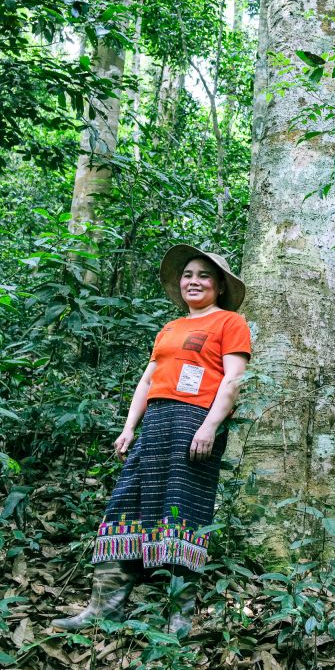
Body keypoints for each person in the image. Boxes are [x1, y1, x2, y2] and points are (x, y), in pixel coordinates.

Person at [53, 245, 251, 635]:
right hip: (155, 423)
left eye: (204, 276)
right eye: (188, 275)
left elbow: (233, 379)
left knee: (182, 513)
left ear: (220, 286)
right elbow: (148, 380)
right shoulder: (170, 328)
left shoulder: (230, 322)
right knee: (124, 506)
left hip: (194, 422)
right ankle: (103, 609)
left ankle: (178, 620)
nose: (194, 281)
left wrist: (209, 426)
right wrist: (129, 427)